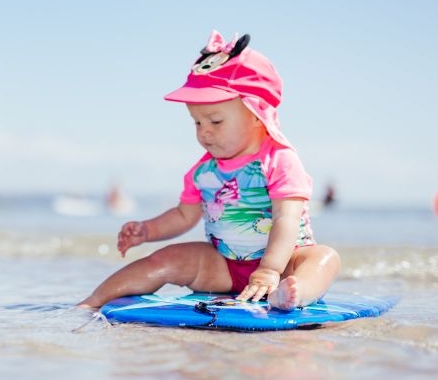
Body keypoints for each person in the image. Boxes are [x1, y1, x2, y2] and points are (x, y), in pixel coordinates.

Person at [78, 31, 340, 311]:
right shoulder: (204, 171)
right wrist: (147, 230)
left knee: (324, 259)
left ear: (257, 114)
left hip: (283, 266)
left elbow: (285, 218)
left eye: (215, 121)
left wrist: (269, 270)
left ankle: (294, 295)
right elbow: (183, 215)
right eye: (197, 122)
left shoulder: (279, 160)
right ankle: (93, 301)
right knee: (165, 258)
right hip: (224, 266)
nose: (204, 132)